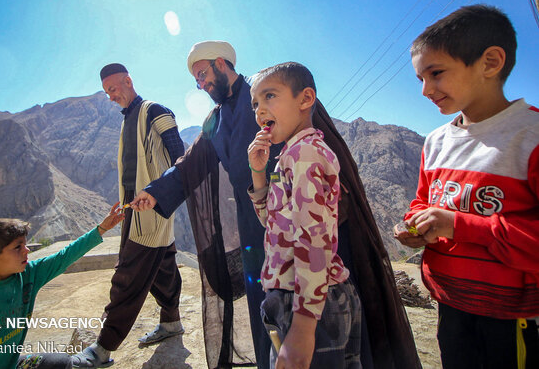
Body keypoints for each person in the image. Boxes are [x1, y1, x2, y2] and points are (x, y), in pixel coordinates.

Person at [131, 41, 421, 369]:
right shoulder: (214, 120)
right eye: (196, 81)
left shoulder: (271, 92)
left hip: (314, 225)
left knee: (325, 325)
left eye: (203, 75)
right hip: (260, 226)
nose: (201, 85)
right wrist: (155, 192)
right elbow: (190, 163)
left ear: (220, 63)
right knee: (271, 309)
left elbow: (316, 139)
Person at [396, 4, 539, 369]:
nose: (426, 89)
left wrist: (458, 225)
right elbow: (424, 202)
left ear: (490, 62)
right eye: (419, 79)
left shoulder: (530, 137)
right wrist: (417, 226)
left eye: (437, 73)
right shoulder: (436, 142)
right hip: (450, 305)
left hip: (511, 318)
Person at [247, 62, 362, 369]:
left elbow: (314, 239)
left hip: (308, 305)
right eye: (255, 103)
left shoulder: (305, 155)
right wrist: (258, 172)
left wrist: (304, 325)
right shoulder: (289, 155)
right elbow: (271, 223)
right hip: (302, 302)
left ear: (305, 98)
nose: (259, 110)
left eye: (270, 96)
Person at [71, 63, 185, 368]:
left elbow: (181, 157)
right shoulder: (129, 119)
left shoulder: (154, 110)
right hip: (136, 211)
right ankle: (172, 322)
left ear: (128, 81)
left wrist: (158, 192)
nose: (111, 97)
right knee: (163, 268)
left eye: (113, 89)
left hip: (152, 212)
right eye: (107, 92)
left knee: (127, 277)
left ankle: (102, 349)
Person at [0, 204, 125, 369]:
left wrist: (102, 229)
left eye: (25, 245)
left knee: (61, 363)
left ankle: (86, 360)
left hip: (13, 364)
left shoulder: (28, 275)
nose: (27, 251)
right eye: (18, 247)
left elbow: (64, 257)